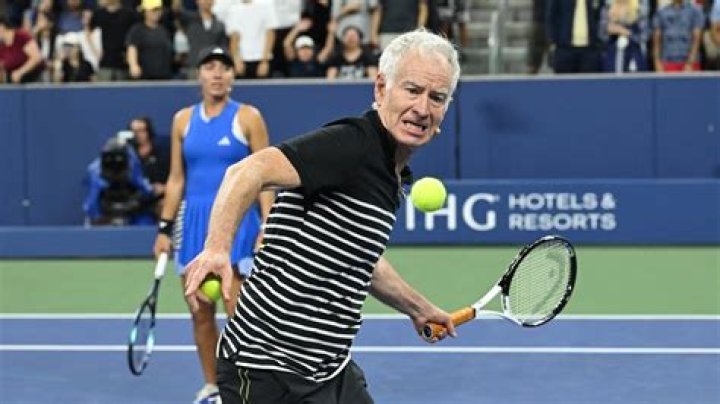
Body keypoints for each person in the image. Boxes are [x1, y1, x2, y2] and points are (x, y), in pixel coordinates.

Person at [184, 29, 458, 403]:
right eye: (412, 90)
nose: (423, 109)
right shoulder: (352, 143)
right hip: (267, 369)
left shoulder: (389, 173)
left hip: (330, 368)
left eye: (437, 98)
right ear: (381, 88)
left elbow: (361, 257)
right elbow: (246, 172)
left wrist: (418, 309)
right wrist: (218, 248)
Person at [152, 45, 274, 404]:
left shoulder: (249, 117)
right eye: (209, 67)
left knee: (241, 317)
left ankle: (248, 390)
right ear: (199, 75)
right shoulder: (182, 120)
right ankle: (212, 386)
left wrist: (268, 224)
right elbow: (176, 179)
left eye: (224, 67)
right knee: (201, 313)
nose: (217, 73)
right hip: (193, 226)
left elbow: (266, 177)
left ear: (233, 75)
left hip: (238, 225)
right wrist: (164, 228)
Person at [652, 0, 704, 72]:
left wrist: (690, 63)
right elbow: (657, 41)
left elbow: (696, 39)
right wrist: (657, 63)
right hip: (667, 62)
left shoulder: (695, 11)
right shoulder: (661, 12)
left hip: (690, 64)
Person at [0, 14, 44, 83]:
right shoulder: (2, 46)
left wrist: (20, 72)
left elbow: (36, 57)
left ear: (2, 27)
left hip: (34, 80)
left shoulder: (22, 36)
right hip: (14, 84)